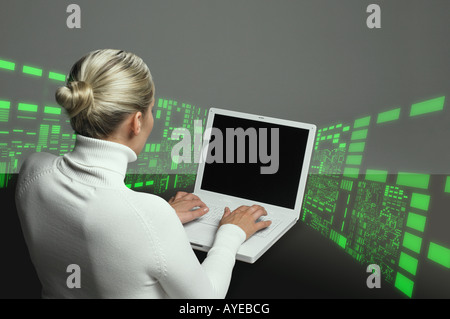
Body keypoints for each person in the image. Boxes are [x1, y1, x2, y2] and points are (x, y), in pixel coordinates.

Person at [15, 49, 271, 298]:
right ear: (137, 121)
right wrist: (230, 234)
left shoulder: (33, 170)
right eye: (151, 110)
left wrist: (158, 222)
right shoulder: (150, 215)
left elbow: (92, 227)